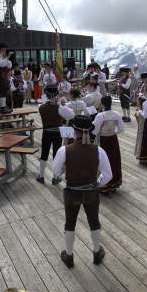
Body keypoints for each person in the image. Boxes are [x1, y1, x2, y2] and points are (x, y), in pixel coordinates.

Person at [52, 115, 112, 268]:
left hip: (71, 191)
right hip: (91, 191)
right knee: (94, 222)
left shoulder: (64, 150)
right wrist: (96, 184)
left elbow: (56, 173)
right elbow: (108, 175)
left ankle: (69, 255)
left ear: (74, 131)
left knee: (70, 223)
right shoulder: (99, 150)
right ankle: (97, 253)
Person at [36, 86, 75, 185]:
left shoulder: (40, 107)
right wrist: (61, 105)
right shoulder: (59, 108)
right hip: (57, 133)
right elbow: (71, 115)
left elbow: (44, 105)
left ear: (46, 95)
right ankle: (55, 177)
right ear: (56, 95)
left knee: (44, 154)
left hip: (46, 132)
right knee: (56, 155)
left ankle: (41, 176)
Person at [93, 96, 125, 194]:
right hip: (113, 139)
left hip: (103, 140)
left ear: (102, 104)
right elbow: (121, 129)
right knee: (114, 160)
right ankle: (114, 183)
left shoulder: (100, 116)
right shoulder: (116, 114)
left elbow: (94, 131)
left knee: (103, 162)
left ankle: (104, 185)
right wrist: (112, 131)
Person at [0, 43, 13, 114]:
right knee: (2, 91)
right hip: (0, 77)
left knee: (5, 91)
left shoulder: (3, 57)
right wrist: (8, 57)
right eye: (4, 49)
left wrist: (6, 58)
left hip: (5, 76)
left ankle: (4, 106)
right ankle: (2, 108)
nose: (5, 51)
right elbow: (2, 64)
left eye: (5, 50)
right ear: (0, 50)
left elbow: (9, 65)